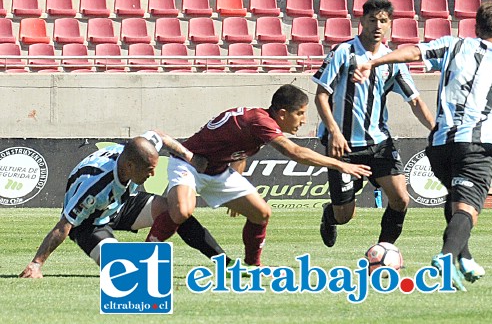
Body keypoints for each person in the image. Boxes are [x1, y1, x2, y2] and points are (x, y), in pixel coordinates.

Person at [353, 1, 492, 291]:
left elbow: (413, 51)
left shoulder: (453, 44)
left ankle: (465, 258)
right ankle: (448, 256)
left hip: (439, 146)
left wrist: (373, 61)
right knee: (468, 209)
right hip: (477, 146)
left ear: (475, 27)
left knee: (456, 198)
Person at [145, 84, 372, 267]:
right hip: (190, 165)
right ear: (282, 113)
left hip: (218, 170)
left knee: (261, 213)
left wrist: (236, 185)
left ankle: (253, 266)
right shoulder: (260, 121)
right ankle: (144, 255)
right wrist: (338, 165)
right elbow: (295, 152)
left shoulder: (257, 123)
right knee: (182, 211)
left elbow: (240, 150)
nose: (303, 120)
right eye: (300, 114)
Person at [20, 131, 230, 278]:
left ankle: (225, 263)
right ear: (129, 166)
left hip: (120, 204)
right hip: (88, 223)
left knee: (176, 211)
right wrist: (36, 264)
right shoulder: (95, 185)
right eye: (149, 169)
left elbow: (159, 135)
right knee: (126, 271)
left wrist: (189, 156)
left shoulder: (138, 151)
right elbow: (64, 225)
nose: (153, 174)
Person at [311, 0, 435, 249]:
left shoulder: (393, 60)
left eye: (383, 21)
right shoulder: (343, 53)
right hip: (343, 146)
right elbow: (321, 96)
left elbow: (415, 101)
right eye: (372, 20)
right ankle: (330, 214)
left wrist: (437, 131)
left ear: (390, 24)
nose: (377, 25)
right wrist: (334, 132)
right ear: (361, 22)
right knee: (344, 216)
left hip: (379, 143)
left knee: (401, 199)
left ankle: (382, 251)